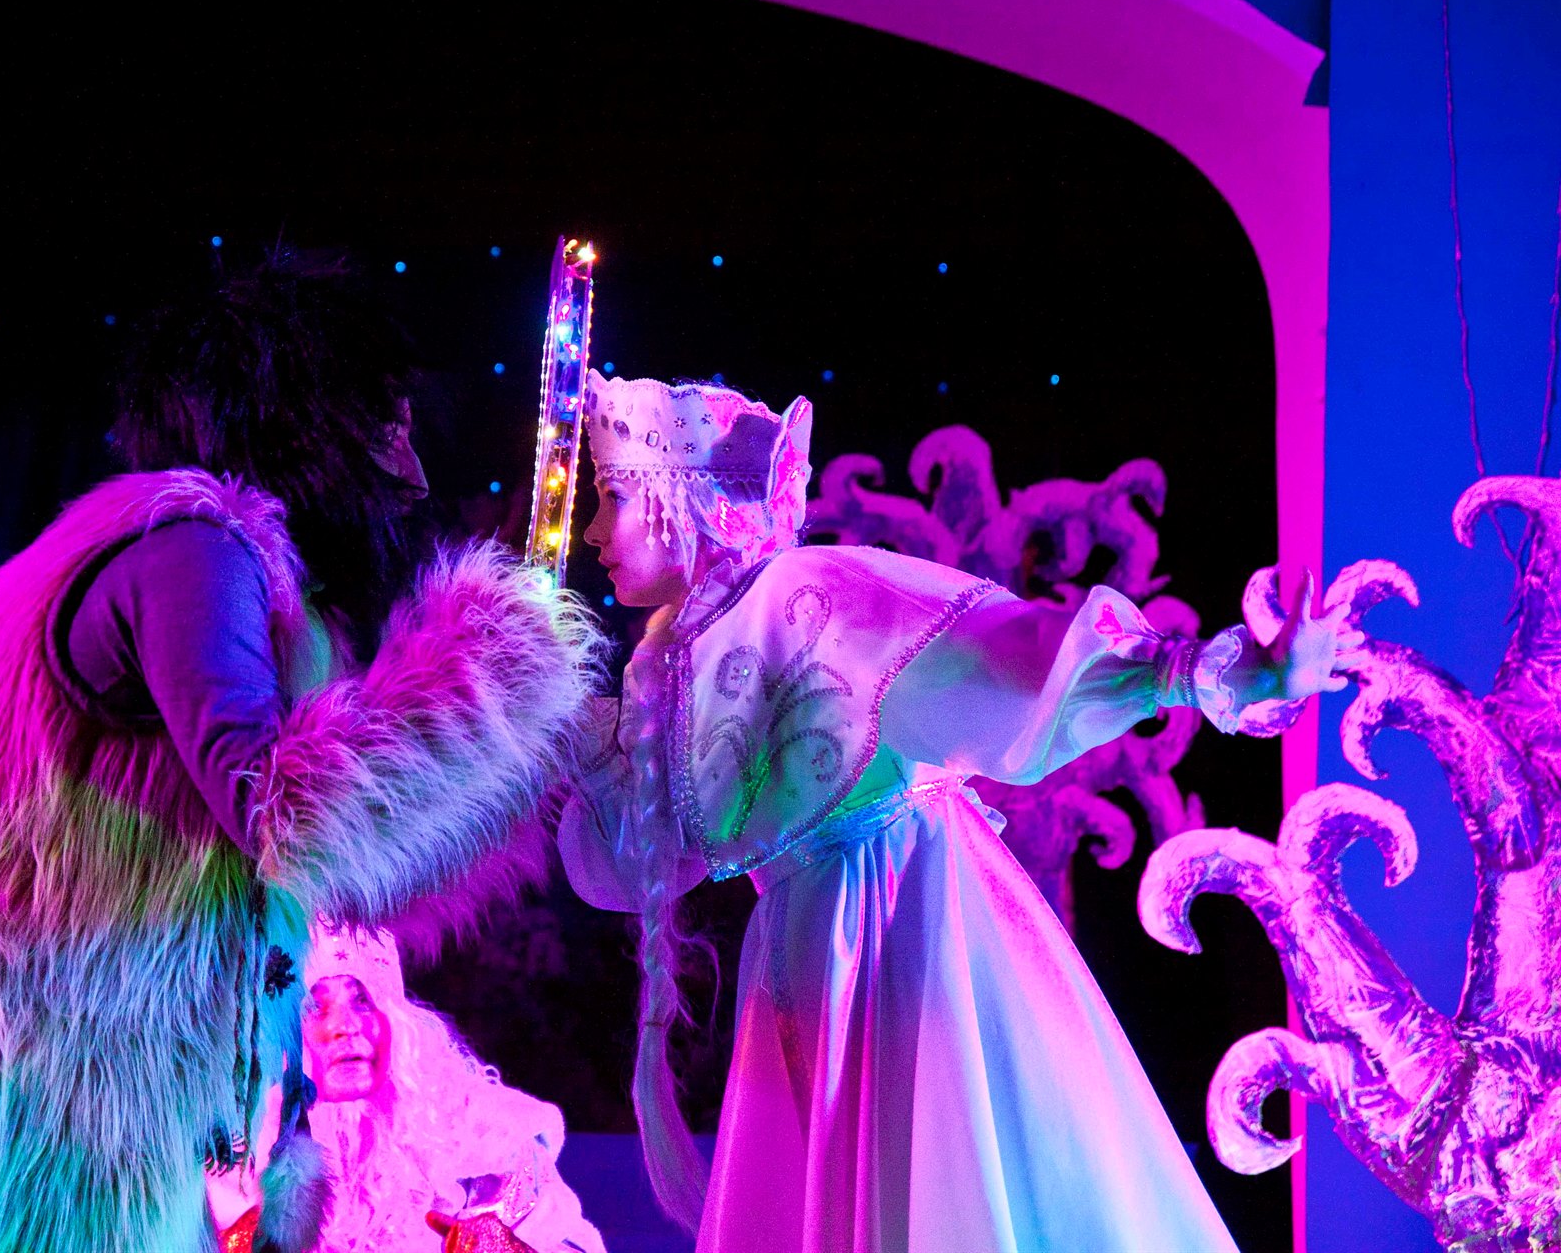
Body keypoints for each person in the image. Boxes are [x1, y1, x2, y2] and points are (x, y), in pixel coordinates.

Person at [0, 245, 604, 1253]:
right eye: (387, 426)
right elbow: (288, 816)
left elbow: (350, 877)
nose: (412, 474)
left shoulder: (258, 584)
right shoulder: (191, 545)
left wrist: (529, 743)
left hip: (73, 1079)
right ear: (310, 421)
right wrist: (489, 666)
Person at [557, 372, 1363, 1253]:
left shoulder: (810, 590)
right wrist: (548, 714)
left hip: (908, 917)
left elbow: (1008, 654)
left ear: (681, 501)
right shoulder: (664, 664)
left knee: (941, 1171)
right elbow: (631, 864)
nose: (593, 533)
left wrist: (1212, 669)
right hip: (803, 950)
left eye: (614, 498)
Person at [208, 923, 606, 1253]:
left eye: (362, 1000)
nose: (347, 1026)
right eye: (315, 1006)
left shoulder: (486, 1145)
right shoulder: (229, 1163)